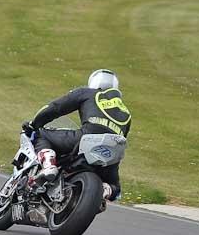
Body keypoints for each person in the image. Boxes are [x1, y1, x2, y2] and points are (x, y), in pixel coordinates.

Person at [21, 69, 131, 202]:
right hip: (111, 152)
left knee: (41, 134)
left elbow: (56, 107)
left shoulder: (88, 93)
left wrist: (35, 123)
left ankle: (49, 165)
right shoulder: (126, 112)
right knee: (116, 188)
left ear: (95, 82)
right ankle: (106, 190)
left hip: (87, 138)